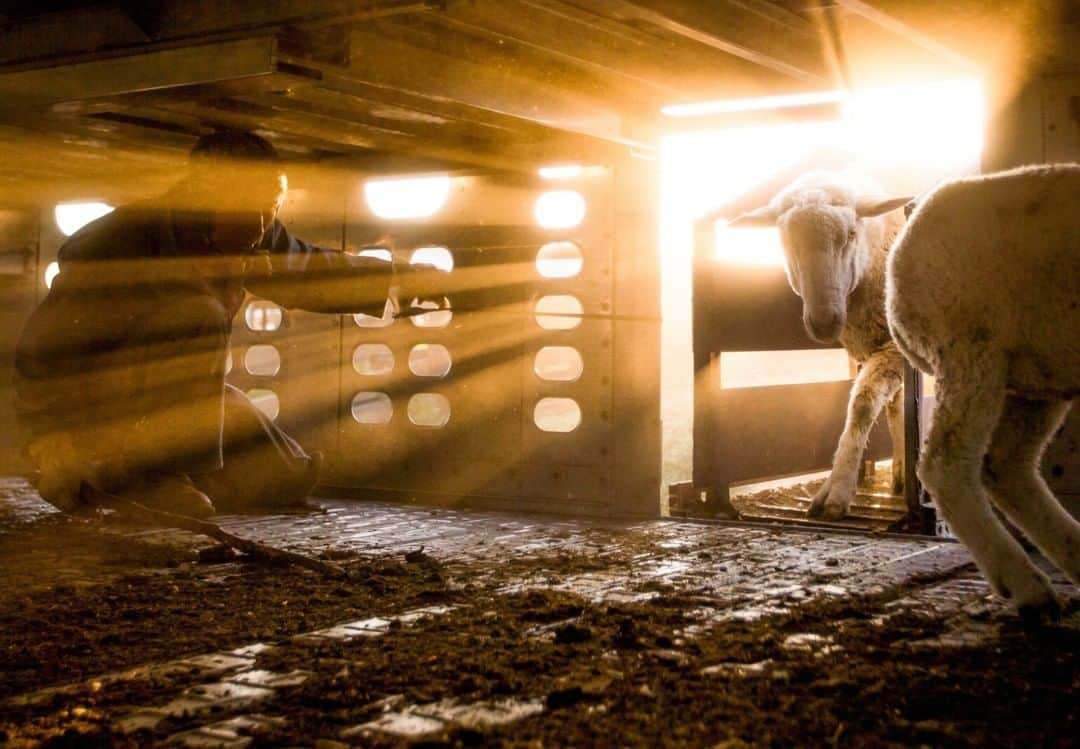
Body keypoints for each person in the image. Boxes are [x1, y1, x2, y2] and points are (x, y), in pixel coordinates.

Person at [15, 130, 443, 517]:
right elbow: (45, 352)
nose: (261, 227)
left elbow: (308, 268)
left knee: (286, 477)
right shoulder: (115, 244)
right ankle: (155, 477)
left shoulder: (250, 230)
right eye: (248, 211)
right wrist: (51, 445)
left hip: (159, 399)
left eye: (270, 209)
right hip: (89, 408)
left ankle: (149, 475)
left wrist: (400, 279)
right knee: (196, 312)